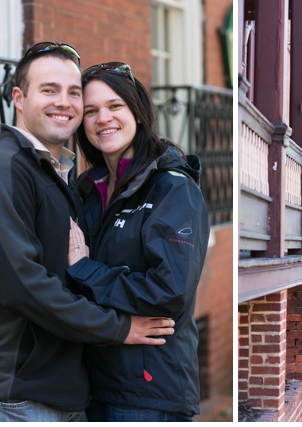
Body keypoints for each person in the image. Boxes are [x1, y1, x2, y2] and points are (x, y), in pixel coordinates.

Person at [0, 42, 174, 422]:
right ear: (19, 98)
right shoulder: (0, 169)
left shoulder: (59, 177)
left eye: (74, 93)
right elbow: (22, 286)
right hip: (12, 398)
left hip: (63, 396)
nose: (65, 102)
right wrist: (118, 327)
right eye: (49, 90)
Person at [65, 61, 210, 421]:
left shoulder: (172, 188)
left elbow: (169, 291)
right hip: (91, 384)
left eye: (115, 106)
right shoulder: (85, 191)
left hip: (147, 395)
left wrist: (88, 270)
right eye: (91, 111)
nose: (103, 119)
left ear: (138, 112)